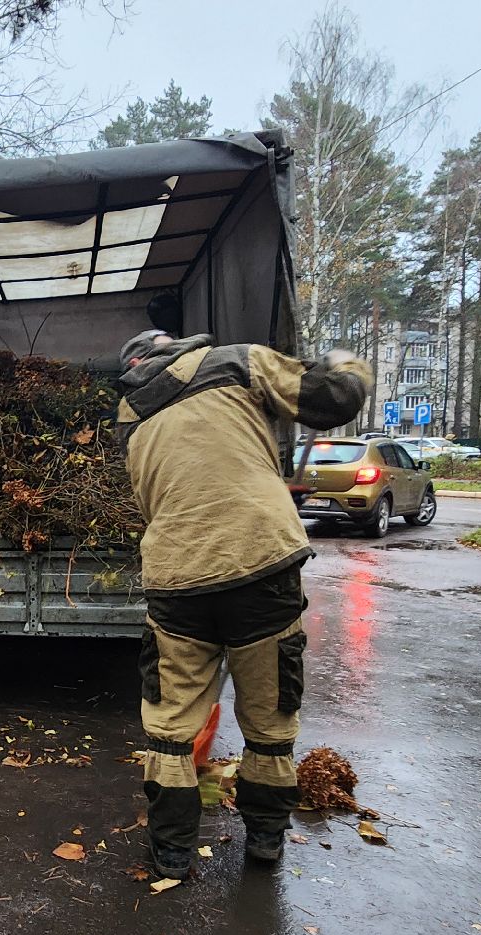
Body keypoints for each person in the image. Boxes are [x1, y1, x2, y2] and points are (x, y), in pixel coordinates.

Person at [114, 331, 371, 878]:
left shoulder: (128, 413)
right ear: (177, 345)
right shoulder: (236, 362)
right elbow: (333, 401)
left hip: (176, 580)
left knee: (169, 725)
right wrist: (349, 365)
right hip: (261, 568)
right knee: (270, 718)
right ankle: (265, 844)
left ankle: (173, 853)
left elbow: (147, 498)